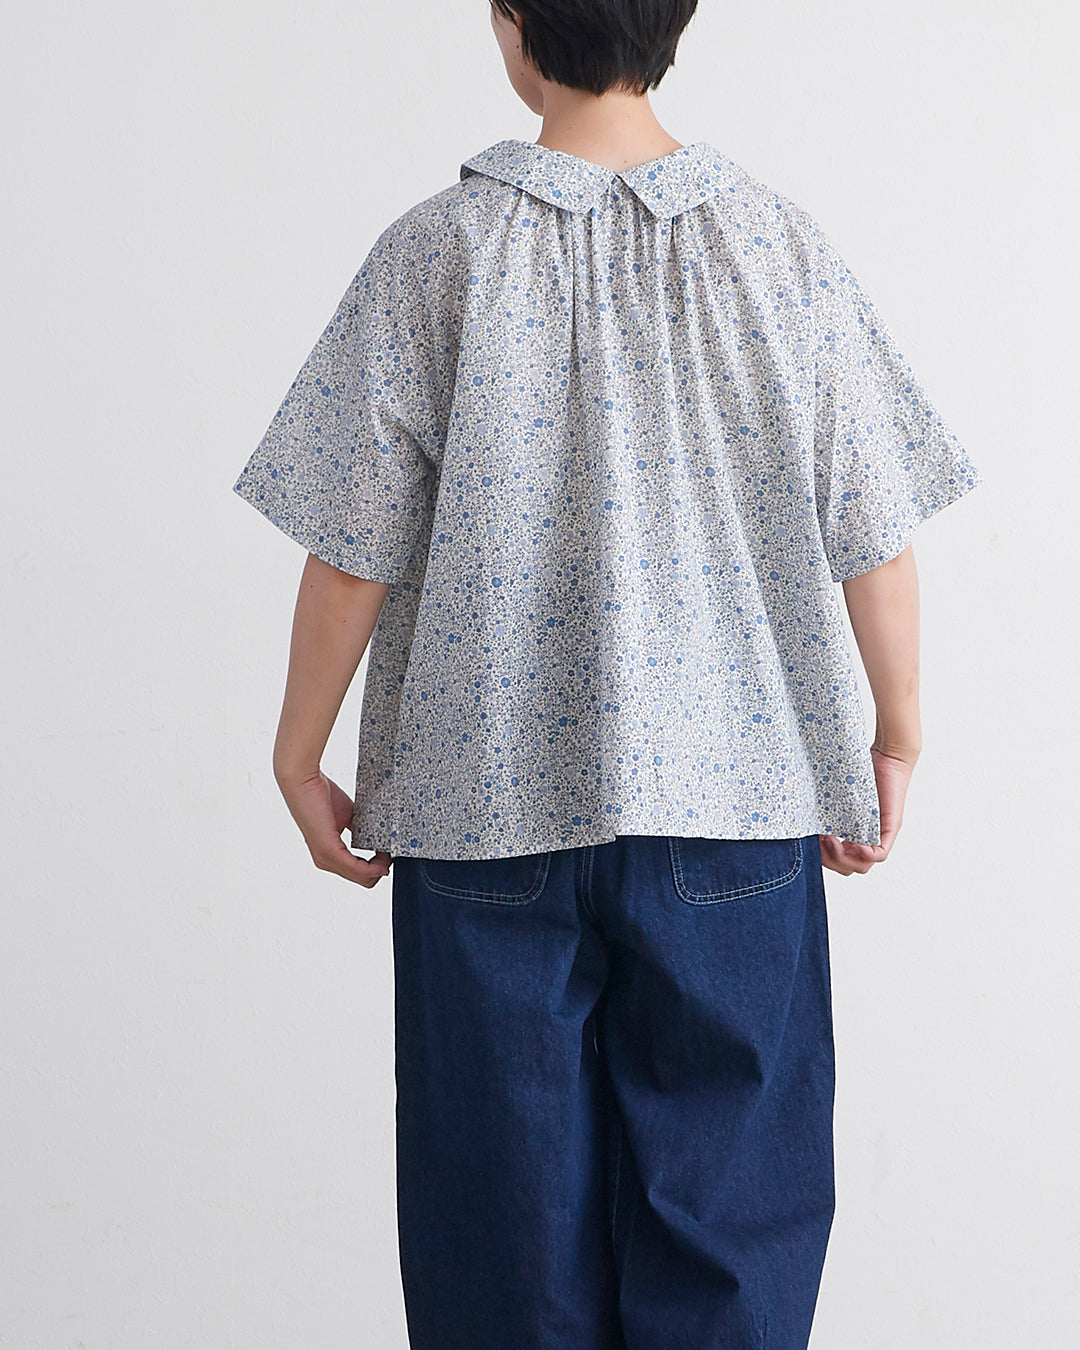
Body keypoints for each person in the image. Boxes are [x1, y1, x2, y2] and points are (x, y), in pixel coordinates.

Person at [231, 2, 983, 1345]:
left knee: (499, 1236)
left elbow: (350, 551)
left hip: (485, 811)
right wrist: (898, 734)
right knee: (734, 1224)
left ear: (512, 22)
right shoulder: (779, 246)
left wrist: (300, 752)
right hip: (736, 813)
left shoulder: (436, 252)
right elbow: (877, 532)